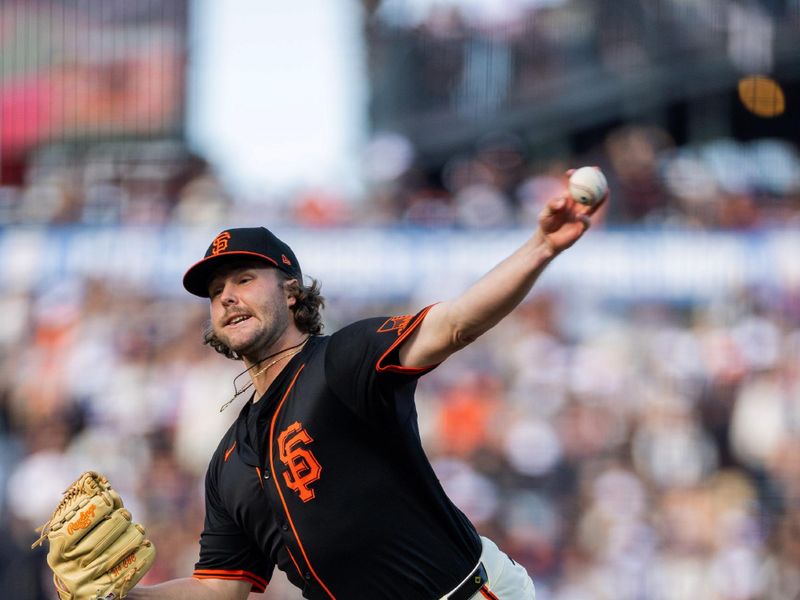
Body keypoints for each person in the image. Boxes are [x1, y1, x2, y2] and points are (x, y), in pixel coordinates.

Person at [128, 181, 604, 600]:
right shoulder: (229, 463)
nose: (227, 296)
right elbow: (218, 589)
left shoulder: (341, 361)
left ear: (291, 292)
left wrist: (541, 246)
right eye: (215, 292)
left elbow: (455, 324)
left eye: (245, 279)